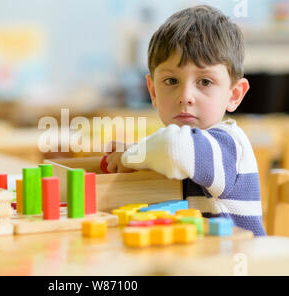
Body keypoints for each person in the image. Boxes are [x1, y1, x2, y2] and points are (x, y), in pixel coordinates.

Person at [105, 5, 266, 236]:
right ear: (153, 92)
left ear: (234, 95)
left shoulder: (228, 144)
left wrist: (132, 157)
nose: (185, 97)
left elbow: (174, 148)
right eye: (171, 81)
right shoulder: (192, 149)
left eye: (205, 82)